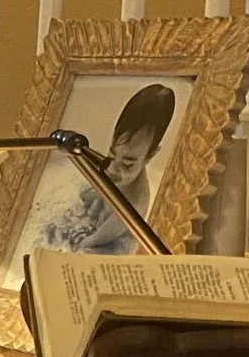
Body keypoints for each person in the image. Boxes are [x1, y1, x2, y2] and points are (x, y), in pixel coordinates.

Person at [27, 81, 177, 256]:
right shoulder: (113, 171)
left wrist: (77, 240)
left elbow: (94, 241)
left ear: (150, 156)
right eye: (112, 155)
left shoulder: (136, 203)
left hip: (108, 239)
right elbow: (89, 194)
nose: (113, 168)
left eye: (128, 164)